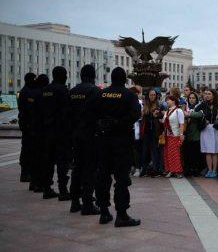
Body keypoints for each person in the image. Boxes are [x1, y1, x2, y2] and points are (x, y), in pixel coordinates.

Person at [88, 67, 141, 227]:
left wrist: (101, 123)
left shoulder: (100, 94)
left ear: (111, 78)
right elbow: (135, 114)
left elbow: (89, 111)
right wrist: (118, 122)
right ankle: (121, 214)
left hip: (103, 140)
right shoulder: (129, 95)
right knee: (121, 178)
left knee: (102, 176)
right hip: (122, 141)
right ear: (125, 79)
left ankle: (104, 212)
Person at [68, 65, 101, 215]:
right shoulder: (95, 91)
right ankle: (87, 202)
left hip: (75, 134)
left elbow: (66, 114)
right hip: (91, 135)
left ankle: (74, 201)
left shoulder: (72, 92)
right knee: (90, 168)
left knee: (77, 167)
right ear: (93, 76)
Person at [41, 66, 71, 200]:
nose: (66, 77)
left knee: (47, 161)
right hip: (60, 131)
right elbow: (67, 112)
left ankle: (47, 188)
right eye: (65, 75)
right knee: (62, 162)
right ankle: (63, 190)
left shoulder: (45, 90)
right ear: (61, 76)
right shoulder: (63, 90)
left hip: (47, 131)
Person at [28, 74, 49, 193]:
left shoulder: (33, 94)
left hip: (34, 129)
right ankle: (40, 184)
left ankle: (34, 182)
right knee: (42, 158)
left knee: (34, 157)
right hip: (43, 131)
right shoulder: (43, 95)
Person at [195, 89, 218, 178]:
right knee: (207, 151)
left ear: (213, 95)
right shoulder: (203, 104)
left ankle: (214, 170)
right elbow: (195, 111)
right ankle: (209, 170)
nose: (207, 95)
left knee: (214, 151)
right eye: (206, 94)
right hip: (205, 128)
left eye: (209, 94)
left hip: (214, 128)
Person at [17, 72, 36, 184]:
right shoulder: (26, 92)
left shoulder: (26, 91)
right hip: (28, 125)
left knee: (27, 148)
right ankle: (25, 173)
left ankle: (26, 172)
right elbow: (27, 110)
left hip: (27, 124)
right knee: (27, 149)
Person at [140, 89, 163, 177]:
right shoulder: (145, 104)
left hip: (155, 131)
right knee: (145, 150)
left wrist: (157, 114)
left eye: (154, 95)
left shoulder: (159, 104)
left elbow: (162, 115)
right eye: (151, 95)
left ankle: (155, 169)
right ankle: (144, 169)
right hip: (146, 131)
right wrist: (150, 115)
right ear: (148, 95)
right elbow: (144, 116)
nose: (152, 96)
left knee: (154, 151)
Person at [162, 95, 185, 178]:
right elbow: (164, 122)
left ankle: (178, 171)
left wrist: (181, 134)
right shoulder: (167, 111)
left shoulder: (179, 111)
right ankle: (170, 170)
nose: (167, 101)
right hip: (167, 135)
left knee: (175, 154)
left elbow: (182, 123)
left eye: (168, 100)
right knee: (167, 153)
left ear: (174, 101)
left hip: (175, 135)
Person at [183, 92, 203, 176]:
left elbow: (200, 115)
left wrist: (189, 114)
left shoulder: (199, 107)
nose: (191, 99)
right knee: (187, 152)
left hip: (196, 133)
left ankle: (196, 169)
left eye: (193, 98)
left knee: (195, 152)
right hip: (186, 133)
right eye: (190, 98)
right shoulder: (185, 107)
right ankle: (187, 169)